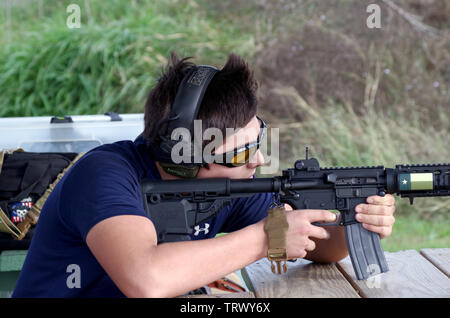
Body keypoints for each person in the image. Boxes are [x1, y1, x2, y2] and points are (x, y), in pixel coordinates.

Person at [12, 52, 396, 297]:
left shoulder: (228, 186)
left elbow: (323, 248)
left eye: (258, 135)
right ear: (183, 159)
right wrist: (267, 239)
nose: (259, 159)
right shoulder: (104, 176)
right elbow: (147, 281)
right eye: (242, 152)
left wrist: (353, 221)